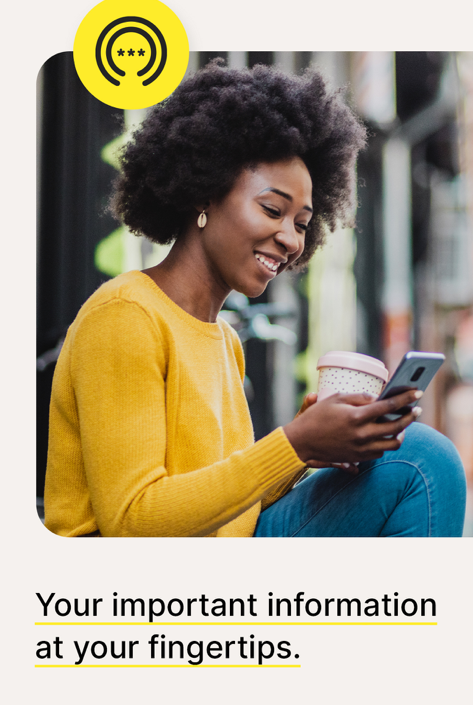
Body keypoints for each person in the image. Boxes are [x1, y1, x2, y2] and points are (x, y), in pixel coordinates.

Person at [44, 61, 466, 537]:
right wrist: (293, 443)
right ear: (204, 194)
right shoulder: (125, 315)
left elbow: (230, 506)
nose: (290, 239)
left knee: (416, 454)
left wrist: (308, 448)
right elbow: (132, 522)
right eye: (272, 209)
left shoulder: (224, 341)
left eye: (302, 223)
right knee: (420, 462)